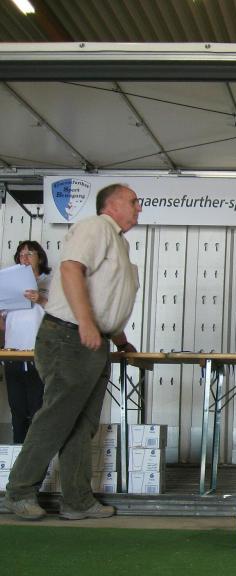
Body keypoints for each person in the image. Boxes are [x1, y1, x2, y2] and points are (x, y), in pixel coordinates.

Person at [4, 183, 140, 520]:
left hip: (91, 339)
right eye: (133, 201)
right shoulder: (96, 227)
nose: (139, 207)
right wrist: (86, 323)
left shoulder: (119, 242)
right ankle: (19, 491)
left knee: (82, 424)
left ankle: (77, 500)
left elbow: (106, 298)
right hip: (69, 335)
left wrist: (120, 340)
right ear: (112, 205)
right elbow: (70, 269)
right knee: (56, 417)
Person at [1, 241, 52, 443]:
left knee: (38, 409)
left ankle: (38, 457)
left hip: (39, 355)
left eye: (29, 253)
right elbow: (3, 324)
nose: (24, 258)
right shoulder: (9, 285)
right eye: (21, 254)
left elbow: (63, 315)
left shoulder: (50, 282)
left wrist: (40, 299)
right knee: (17, 409)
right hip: (12, 354)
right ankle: (18, 454)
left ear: (40, 257)